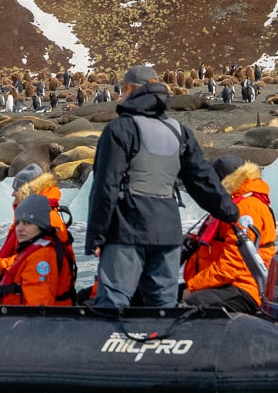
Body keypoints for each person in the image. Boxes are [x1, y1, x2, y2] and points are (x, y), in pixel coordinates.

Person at [85, 64, 241, 308]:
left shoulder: (120, 129)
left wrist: (96, 236)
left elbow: (106, 186)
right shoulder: (179, 132)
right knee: (163, 306)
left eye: (122, 89)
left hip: (128, 230)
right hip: (168, 232)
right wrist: (229, 211)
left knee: (114, 302)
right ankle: (164, 344)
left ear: (130, 90)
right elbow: (202, 180)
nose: (120, 95)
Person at [182, 155, 277, 313]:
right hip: (226, 284)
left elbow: (234, 264)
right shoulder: (234, 203)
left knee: (194, 301)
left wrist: (193, 286)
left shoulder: (246, 208)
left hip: (245, 287)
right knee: (170, 292)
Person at [0, 194, 75, 305]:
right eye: (18, 223)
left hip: (28, 318)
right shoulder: (36, 250)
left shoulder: (42, 258)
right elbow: (14, 264)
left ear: (40, 226)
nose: (20, 228)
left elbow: (37, 308)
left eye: (27, 223)